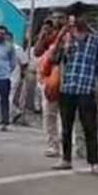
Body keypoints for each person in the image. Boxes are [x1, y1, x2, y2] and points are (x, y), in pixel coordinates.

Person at [51, 2, 98, 174]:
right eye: (73, 16)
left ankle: (94, 163)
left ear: (86, 17)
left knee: (89, 127)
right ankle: (66, 159)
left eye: (79, 16)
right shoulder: (67, 37)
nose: (76, 20)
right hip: (67, 87)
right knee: (66, 126)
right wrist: (61, 37)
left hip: (87, 88)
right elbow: (54, 58)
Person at [33, 16, 63, 157]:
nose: (50, 27)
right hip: (48, 82)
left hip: (64, 80)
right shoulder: (46, 39)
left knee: (65, 116)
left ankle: (68, 144)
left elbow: (55, 58)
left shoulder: (66, 37)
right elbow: (37, 52)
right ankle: (53, 145)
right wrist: (42, 36)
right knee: (49, 114)